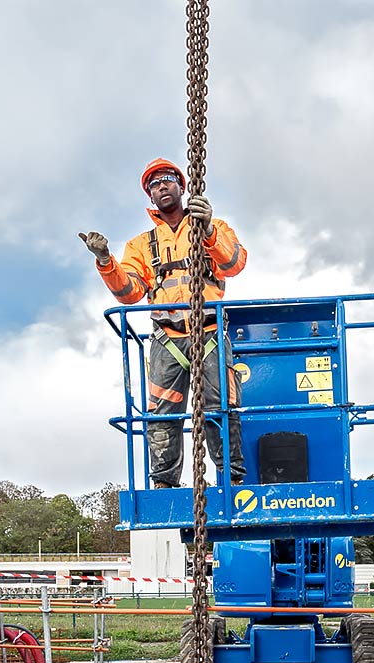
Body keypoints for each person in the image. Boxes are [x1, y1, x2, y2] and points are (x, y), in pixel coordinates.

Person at [79, 158, 247, 488]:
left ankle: (233, 482)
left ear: (182, 187)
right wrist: (104, 261)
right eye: (154, 185)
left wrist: (210, 229)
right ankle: (165, 484)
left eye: (168, 180)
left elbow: (234, 263)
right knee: (163, 414)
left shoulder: (213, 227)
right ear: (150, 198)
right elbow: (129, 293)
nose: (161, 187)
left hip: (210, 332)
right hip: (167, 340)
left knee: (220, 409)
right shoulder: (140, 246)